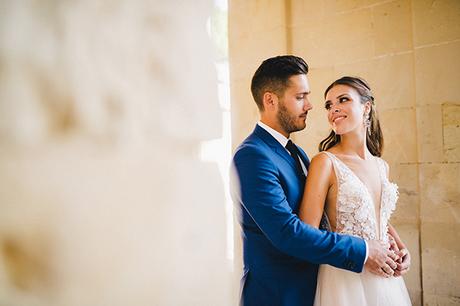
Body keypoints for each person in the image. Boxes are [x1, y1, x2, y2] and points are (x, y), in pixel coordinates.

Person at [231, 55, 403, 306]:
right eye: (300, 97)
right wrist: (365, 250)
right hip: (279, 294)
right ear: (270, 100)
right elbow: (288, 233)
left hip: (317, 286)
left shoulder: (297, 153)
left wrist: (395, 248)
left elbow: (340, 211)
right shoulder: (252, 155)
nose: (310, 105)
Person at [299, 76, 412, 305]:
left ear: (366, 107)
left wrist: (401, 248)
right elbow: (306, 233)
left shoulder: (382, 166)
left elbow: (376, 216)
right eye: (329, 105)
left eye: (343, 100)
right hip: (345, 278)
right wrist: (361, 254)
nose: (334, 109)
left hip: (387, 277)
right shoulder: (325, 162)